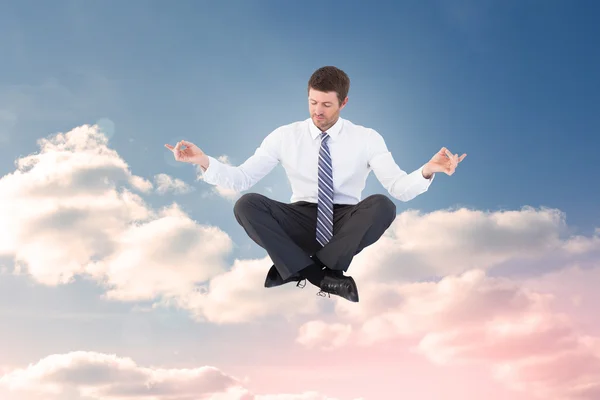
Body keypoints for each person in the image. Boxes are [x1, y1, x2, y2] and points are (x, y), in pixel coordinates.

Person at [165, 66, 466, 303]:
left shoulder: (367, 138)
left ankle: (295, 267)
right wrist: (203, 161)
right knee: (247, 204)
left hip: (345, 223)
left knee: (383, 205)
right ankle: (322, 277)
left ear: (344, 102)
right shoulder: (285, 136)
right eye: (312, 102)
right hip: (301, 217)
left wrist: (429, 170)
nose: (317, 111)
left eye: (326, 104)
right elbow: (242, 178)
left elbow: (398, 187)